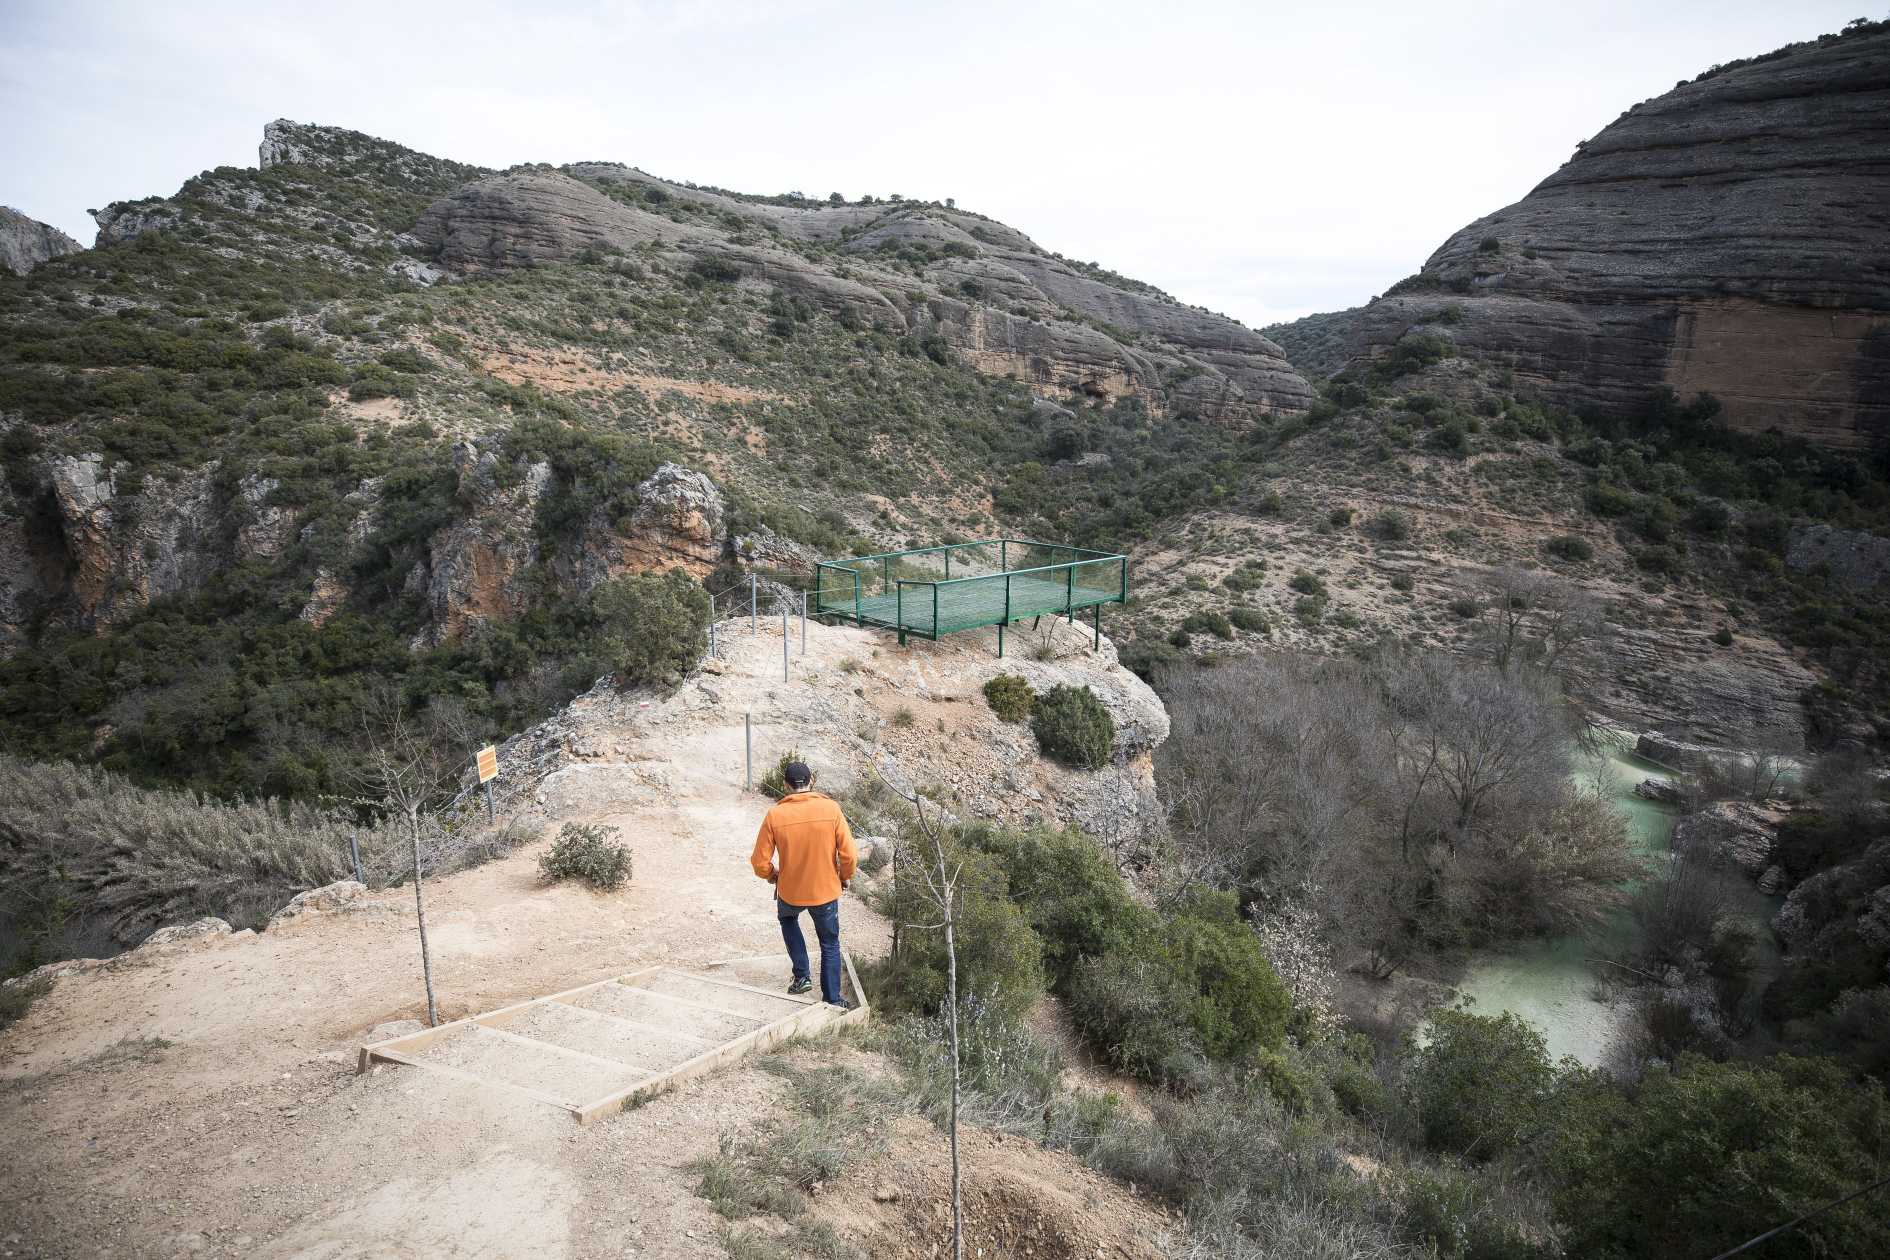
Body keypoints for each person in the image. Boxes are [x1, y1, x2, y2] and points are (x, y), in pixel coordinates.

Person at [750, 760, 857, 1007]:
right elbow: (850, 855)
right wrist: (843, 876)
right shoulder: (831, 809)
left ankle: (801, 976)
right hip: (825, 889)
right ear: (812, 781)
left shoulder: (775, 814)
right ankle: (832, 999)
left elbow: (759, 862)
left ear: (786, 785)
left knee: (788, 919)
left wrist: (773, 875)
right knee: (829, 942)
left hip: (791, 890)